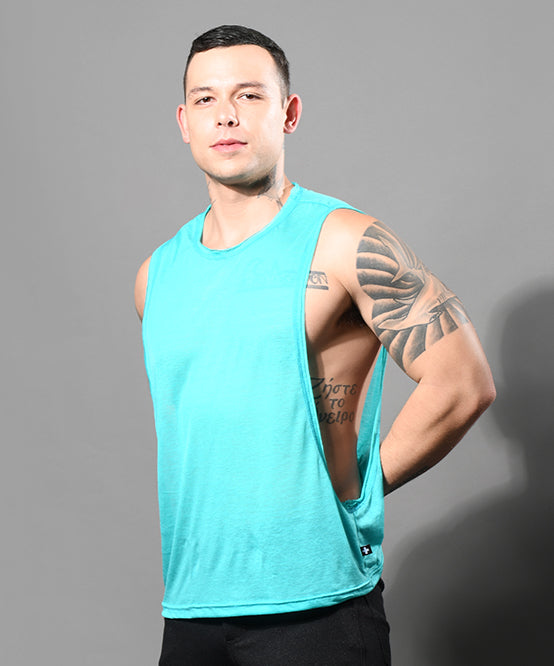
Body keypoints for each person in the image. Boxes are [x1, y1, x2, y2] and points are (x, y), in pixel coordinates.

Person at [135, 25, 496, 666]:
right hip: (191, 610)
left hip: (319, 612)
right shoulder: (155, 276)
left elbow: (463, 382)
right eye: (206, 98)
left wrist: (354, 496)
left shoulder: (347, 241)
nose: (226, 114)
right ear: (185, 122)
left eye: (249, 95)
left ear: (289, 112)